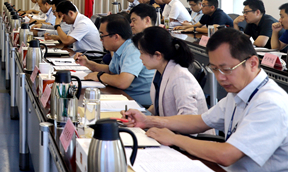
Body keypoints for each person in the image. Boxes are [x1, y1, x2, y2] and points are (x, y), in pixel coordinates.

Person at [123, 28, 288, 171]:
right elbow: (200, 121)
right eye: (214, 69)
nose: (220, 77)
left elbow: (226, 155)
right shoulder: (239, 91)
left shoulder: (269, 103)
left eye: (226, 69)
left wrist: (174, 138)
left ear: (252, 63)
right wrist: (148, 121)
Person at [76, 14, 155, 106]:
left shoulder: (133, 49)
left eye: (102, 35)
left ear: (116, 37)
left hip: (138, 104)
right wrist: (88, 64)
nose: (101, 40)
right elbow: (112, 71)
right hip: (123, 96)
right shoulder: (121, 48)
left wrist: (99, 76)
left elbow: (123, 82)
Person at [132, 27, 208, 117]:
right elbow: (159, 105)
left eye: (142, 53)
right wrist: (142, 116)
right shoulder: (160, 71)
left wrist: (152, 121)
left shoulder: (180, 78)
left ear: (158, 55)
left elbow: (188, 118)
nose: (140, 57)